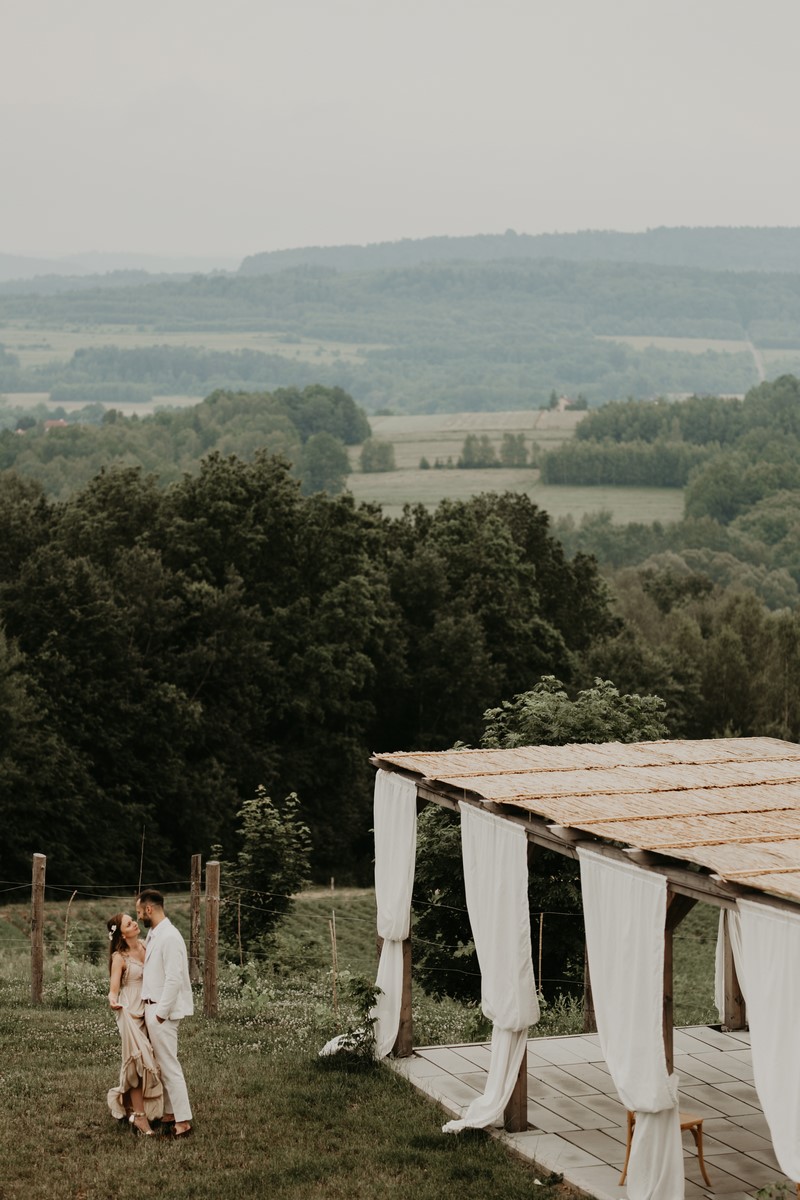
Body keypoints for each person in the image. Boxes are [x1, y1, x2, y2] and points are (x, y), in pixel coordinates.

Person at [136, 888, 194, 1138]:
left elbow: (174, 978)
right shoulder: (154, 933)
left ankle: (183, 1121)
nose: (138, 916)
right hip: (151, 1006)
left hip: (162, 1011)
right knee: (161, 1065)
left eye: (139, 911)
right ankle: (169, 1113)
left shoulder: (170, 936)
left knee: (169, 1065)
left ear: (149, 909)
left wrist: (160, 1013)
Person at [106, 912, 163, 1135]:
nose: (135, 924)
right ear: (121, 933)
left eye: (133, 920)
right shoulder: (119, 957)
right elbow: (113, 990)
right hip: (130, 1012)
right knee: (137, 1063)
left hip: (150, 1008)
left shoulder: (145, 945)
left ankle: (133, 1107)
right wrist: (113, 1002)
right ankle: (140, 1118)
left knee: (151, 1058)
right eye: (129, 923)